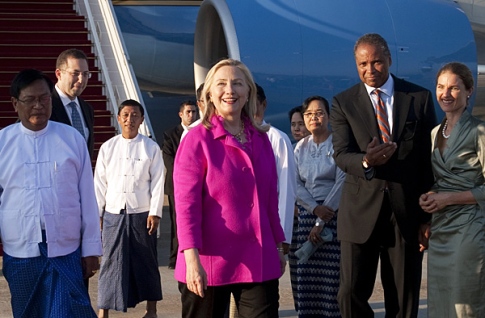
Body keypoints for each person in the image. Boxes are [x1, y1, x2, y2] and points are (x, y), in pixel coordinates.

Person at [329, 33, 436, 317]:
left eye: (376, 62)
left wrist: (426, 217)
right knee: (350, 293)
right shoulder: (343, 102)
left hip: (405, 212)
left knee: (404, 297)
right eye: (362, 64)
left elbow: (428, 161)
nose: (369, 70)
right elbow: (341, 154)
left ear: (389, 59)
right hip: (359, 211)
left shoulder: (418, 98)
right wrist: (366, 160)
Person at [173, 58, 286, 318]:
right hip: (208, 260)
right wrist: (192, 260)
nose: (230, 90)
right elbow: (186, 205)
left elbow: (270, 200)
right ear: (210, 93)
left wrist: (279, 246)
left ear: (249, 92)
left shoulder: (261, 139)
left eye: (237, 83)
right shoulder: (196, 139)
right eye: (221, 84)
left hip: (258, 257)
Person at [0, 69, 102, 317]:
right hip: (20, 250)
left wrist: (91, 249)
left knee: (67, 310)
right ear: (15, 104)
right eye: (30, 100)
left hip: (65, 249)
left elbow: (87, 197)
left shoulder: (71, 139)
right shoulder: (3, 142)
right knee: (27, 311)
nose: (39, 106)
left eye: (45, 99)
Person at [419, 62, 485, 317]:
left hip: (470, 227)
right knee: (441, 299)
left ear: (469, 91)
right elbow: (442, 179)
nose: (445, 94)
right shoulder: (435, 132)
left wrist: (449, 198)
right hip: (441, 228)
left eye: (454, 88)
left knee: (465, 302)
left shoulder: (480, 131)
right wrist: (431, 197)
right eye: (440, 87)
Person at [94, 99, 164, 318]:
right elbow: (99, 183)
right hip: (114, 213)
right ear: (118, 118)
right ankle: (103, 311)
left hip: (142, 213)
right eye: (125, 115)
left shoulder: (151, 147)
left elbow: (158, 181)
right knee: (109, 263)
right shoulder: (108, 147)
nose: (130, 119)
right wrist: (98, 213)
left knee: (147, 261)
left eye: (135, 115)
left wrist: (155, 212)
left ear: (142, 119)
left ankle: (151, 310)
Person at [288, 95, 345, 317]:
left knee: (331, 281)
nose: (314, 118)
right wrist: (313, 209)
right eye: (309, 114)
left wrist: (323, 216)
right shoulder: (299, 148)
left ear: (329, 117)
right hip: (306, 216)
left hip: (333, 213)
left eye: (319, 113)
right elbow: (295, 184)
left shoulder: (339, 145)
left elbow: (342, 181)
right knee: (306, 280)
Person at [254, 83, 296, 253]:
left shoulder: (277, 138)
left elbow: (287, 188)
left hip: (268, 224)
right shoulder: (236, 137)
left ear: (264, 104)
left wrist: (283, 234)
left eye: (253, 102)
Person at [162, 100, 199, 269]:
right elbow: (168, 160)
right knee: (177, 221)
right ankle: (175, 257)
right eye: (188, 112)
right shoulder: (170, 134)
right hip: (176, 186)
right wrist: (185, 174)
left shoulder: (200, 132)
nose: (192, 115)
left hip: (197, 185)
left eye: (194, 112)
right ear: (181, 114)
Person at [50, 48, 95, 158]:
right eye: (75, 73)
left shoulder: (87, 109)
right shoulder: (44, 105)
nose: (81, 80)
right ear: (59, 74)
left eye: (85, 74)